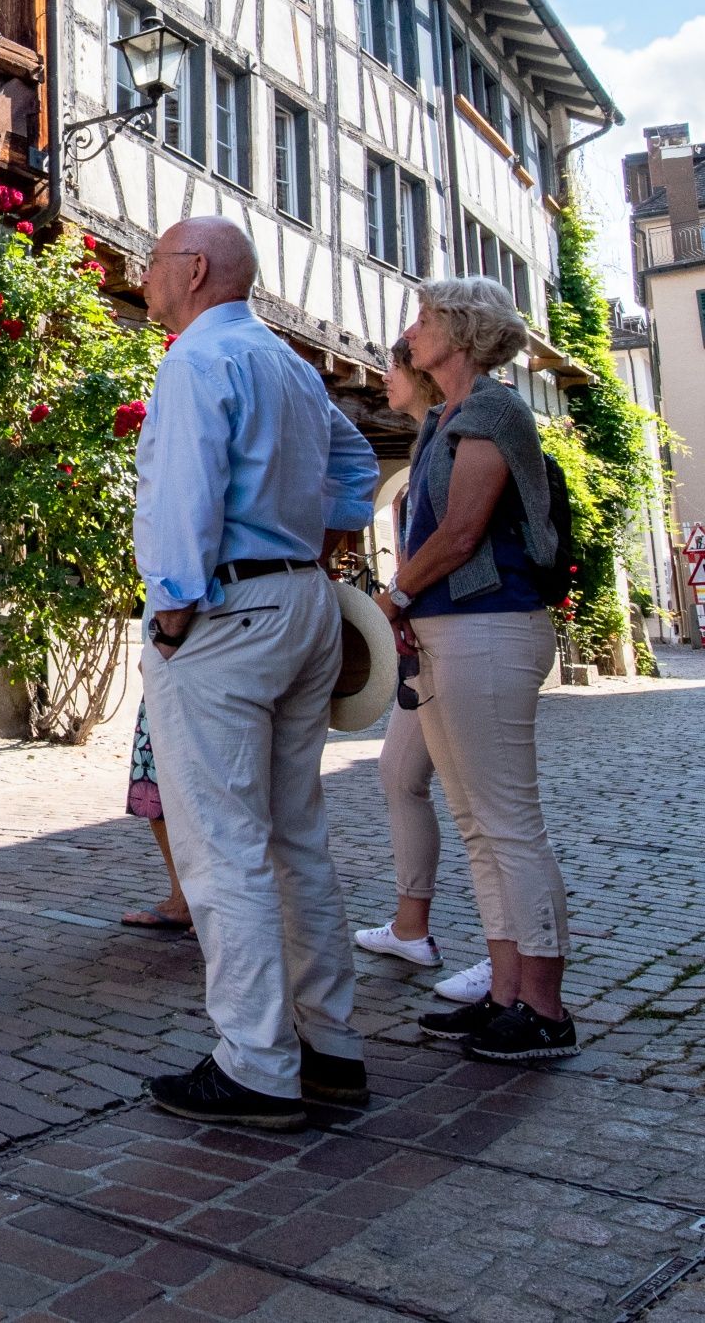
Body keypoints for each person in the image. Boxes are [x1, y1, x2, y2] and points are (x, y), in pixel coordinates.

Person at [133, 216, 379, 1131]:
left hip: (228, 613)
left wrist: (174, 607)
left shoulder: (196, 361)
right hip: (303, 603)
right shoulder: (287, 364)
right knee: (294, 838)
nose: (144, 273)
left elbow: (184, 491)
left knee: (221, 844)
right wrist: (320, 537)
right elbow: (354, 461)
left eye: (156, 260)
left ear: (193, 271)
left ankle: (255, 1065)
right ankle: (332, 1049)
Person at [376, 277, 575, 1061]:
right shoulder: (447, 419)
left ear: (460, 331)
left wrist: (394, 597)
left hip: (491, 629)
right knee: (477, 825)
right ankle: (504, 994)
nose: (412, 331)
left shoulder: (492, 410)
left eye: (425, 318)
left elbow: (461, 535)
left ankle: (546, 1009)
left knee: (509, 825)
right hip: (451, 632)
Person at [352, 343, 490, 1004]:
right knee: (400, 774)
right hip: (427, 639)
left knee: (485, 806)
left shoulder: (467, 429)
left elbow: (461, 538)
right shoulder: (426, 444)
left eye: (391, 367)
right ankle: (412, 928)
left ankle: (508, 960)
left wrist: (397, 598)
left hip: (465, 634)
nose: (382, 378)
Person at [120, 700, 191, 934]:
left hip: (211, 684)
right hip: (161, 686)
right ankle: (182, 900)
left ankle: (222, 909)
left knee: (221, 796)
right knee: (155, 793)